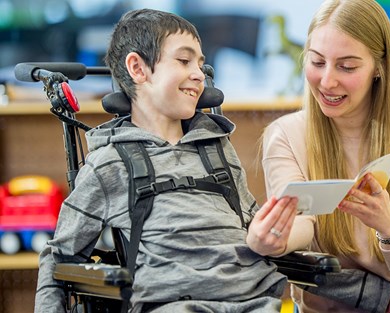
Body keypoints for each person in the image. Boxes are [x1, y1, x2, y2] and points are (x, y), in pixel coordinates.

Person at [35, 8, 299, 313]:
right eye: (184, 61)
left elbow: (251, 226)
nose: (199, 74)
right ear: (138, 68)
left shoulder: (217, 149)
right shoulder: (111, 162)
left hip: (254, 301)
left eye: (200, 63)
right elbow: (60, 257)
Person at [262, 0, 390, 312]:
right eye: (316, 62)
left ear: (379, 68)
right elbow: (300, 233)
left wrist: (387, 224)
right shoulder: (285, 136)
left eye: (347, 66)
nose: (327, 81)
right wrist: (272, 238)